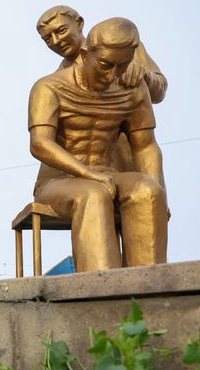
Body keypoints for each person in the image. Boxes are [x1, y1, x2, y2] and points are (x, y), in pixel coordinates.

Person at [28, 17, 168, 272]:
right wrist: (88, 173)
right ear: (86, 55)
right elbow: (39, 144)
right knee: (93, 193)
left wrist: (158, 192)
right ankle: (102, 287)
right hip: (58, 182)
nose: (113, 75)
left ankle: (149, 285)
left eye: (122, 66)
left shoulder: (133, 88)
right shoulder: (49, 86)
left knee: (147, 191)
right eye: (105, 65)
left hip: (108, 174)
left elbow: (145, 146)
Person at [36, 5, 168, 172]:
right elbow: (45, 140)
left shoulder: (122, 44)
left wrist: (143, 75)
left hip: (126, 159)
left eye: (61, 31)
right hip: (77, 173)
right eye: (48, 38)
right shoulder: (55, 82)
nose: (56, 41)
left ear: (79, 23)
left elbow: (159, 92)